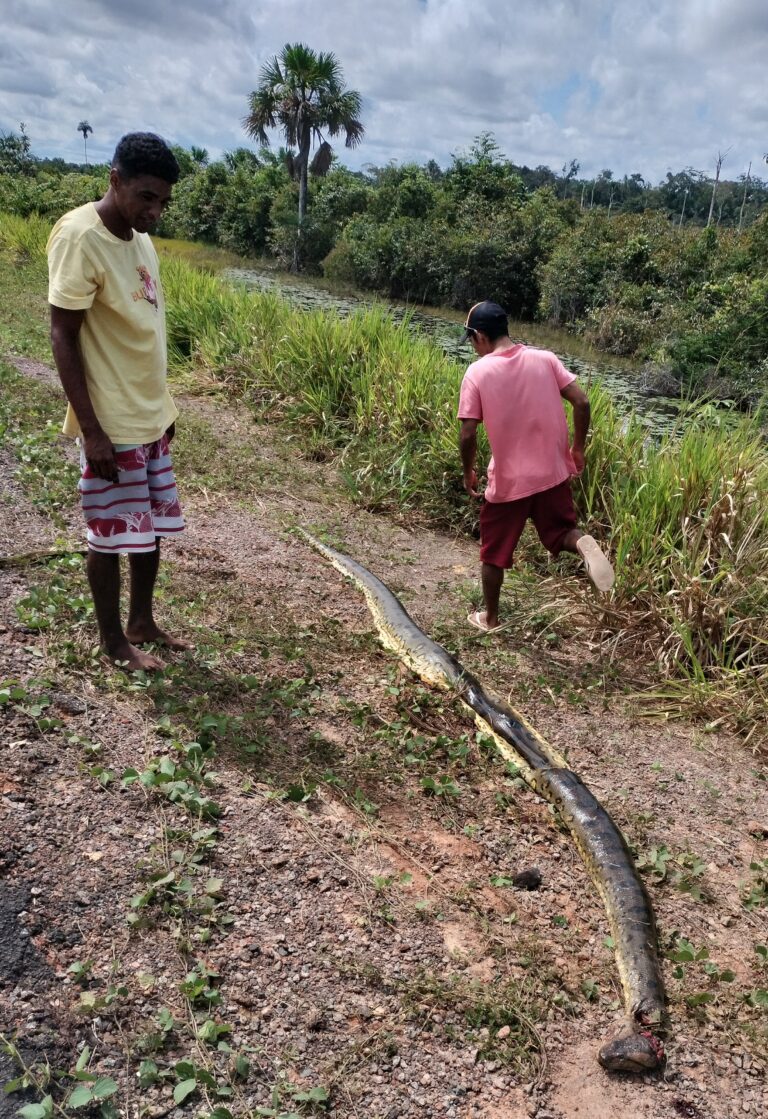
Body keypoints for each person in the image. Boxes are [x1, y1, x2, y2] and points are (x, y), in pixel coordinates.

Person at [47, 132, 189, 670]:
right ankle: (114, 643)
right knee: (109, 535)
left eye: (163, 201)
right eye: (146, 197)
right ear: (115, 180)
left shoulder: (139, 238)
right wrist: (93, 431)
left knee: (148, 528)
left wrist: (164, 408)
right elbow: (63, 335)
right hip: (111, 420)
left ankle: (142, 622)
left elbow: (144, 329)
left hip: (149, 415)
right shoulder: (80, 236)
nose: (155, 211)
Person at [458, 300, 614, 631]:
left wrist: (468, 470)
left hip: (510, 481)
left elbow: (468, 433)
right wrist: (578, 448)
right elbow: (582, 402)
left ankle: (491, 618)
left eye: (471, 339)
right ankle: (581, 543)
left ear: (480, 336)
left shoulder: (478, 372)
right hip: (553, 474)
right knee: (561, 533)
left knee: (493, 553)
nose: (473, 346)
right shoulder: (546, 359)